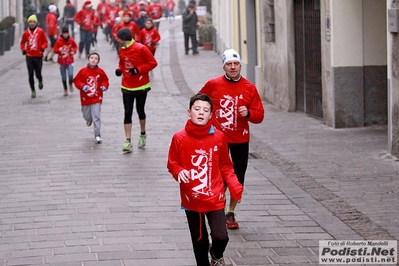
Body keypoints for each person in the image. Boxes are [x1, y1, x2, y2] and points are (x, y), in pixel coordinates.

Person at [167, 93, 243, 266]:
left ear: (211, 115)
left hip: (214, 196)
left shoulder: (219, 137)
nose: (201, 113)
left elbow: (226, 165)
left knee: (221, 237)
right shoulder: (179, 138)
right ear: (189, 112)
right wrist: (178, 171)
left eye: (206, 110)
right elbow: (172, 163)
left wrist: (234, 186)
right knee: (199, 242)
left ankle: (216, 255)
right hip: (191, 198)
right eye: (197, 109)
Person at [198, 49, 265, 230]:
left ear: (240, 66)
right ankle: (217, 208)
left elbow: (259, 115)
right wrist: (204, 121)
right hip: (217, 139)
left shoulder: (250, 88)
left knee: (237, 177)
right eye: (229, 64)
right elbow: (199, 102)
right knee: (219, 176)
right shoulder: (213, 84)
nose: (233, 67)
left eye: (236, 64)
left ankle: (231, 211)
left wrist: (249, 113)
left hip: (240, 140)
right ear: (224, 67)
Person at [114, 28, 158, 152]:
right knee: (127, 112)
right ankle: (127, 141)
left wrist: (138, 70)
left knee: (140, 110)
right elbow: (122, 63)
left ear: (124, 39)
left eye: (118, 38)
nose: (117, 40)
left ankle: (143, 134)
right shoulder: (122, 50)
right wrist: (119, 69)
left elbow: (153, 63)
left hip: (141, 85)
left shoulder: (141, 48)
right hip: (126, 85)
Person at [73, 52, 109, 144]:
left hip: (97, 97)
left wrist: (104, 86)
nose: (93, 60)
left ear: (98, 61)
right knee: (86, 115)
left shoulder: (100, 72)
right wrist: (82, 86)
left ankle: (97, 135)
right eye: (92, 58)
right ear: (88, 59)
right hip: (86, 97)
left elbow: (105, 80)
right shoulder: (83, 71)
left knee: (96, 115)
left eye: (96, 58)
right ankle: (89, 120)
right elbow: (76, 80)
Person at [20, 14, 48, 98]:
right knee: (30, 74)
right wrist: (23, 49)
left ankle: (40, 80)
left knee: (38, 72)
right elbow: (22, 43)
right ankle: (32, 90)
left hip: (38, 55)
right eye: (30, 22)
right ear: (28, 23)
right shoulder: (26, 33)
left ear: (36, 23)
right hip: (29, 56)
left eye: (33, 22)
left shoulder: (40, 31)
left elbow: (45, 41)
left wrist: (42, 47)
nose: (32, 23)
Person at [53, 26, 78, 96]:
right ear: (62, 34)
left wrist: (74, 51)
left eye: (66, 33)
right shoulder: (59, 41)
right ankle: (65, 89)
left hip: (70, 60)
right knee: (63, 76)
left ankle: (70, 83)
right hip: (62, 61)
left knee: (70, 74)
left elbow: (75, 46)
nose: (65, 35)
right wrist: (59, 50)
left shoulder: (71, 40)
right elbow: (55, 50)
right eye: (64, 33)